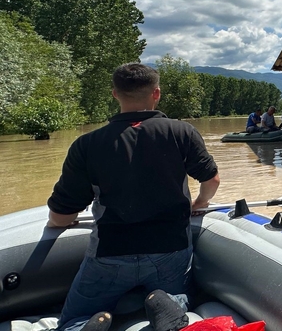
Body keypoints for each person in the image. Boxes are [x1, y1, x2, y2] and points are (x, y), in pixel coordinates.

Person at [47, 63, 221, 331]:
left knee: (73, 317)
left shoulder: (87, 144)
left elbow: (63, 213)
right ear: (157, 93)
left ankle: (85, 324)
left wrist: (58, 224)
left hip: (110, 253)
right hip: (169, 248)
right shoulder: (181, 132)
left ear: (115, 94)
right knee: (176, 298)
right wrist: (200, 204)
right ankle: (167, 303)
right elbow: (211, 180)